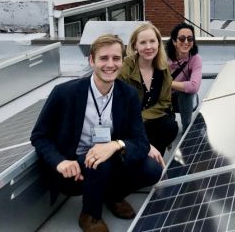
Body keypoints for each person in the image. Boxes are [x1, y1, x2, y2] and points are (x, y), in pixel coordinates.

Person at [30, 34, 165, 232]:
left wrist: (114, 145)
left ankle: (113, 196)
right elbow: (39, 136)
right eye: (103, 58)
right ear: (91, 60)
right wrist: (60, 162)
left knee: (152, 169)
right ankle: (90, 214)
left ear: (122, 61)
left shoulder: (127, 95)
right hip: (73, 168)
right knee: (98, 160)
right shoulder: (64, 93)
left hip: (109, 160)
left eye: (116, 58)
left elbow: (140, 141)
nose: (110, 64)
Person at [119, 23, 179, 156]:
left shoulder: (163, 69)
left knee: (169, 126)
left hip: (151, 121)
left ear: (158, 43)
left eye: (152, 41)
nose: (148, 47)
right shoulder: (125, 68)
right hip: (129, 123)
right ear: (135, 45)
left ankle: (154, 157)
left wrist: (142, 117)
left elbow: (164, 103)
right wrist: (136, 120)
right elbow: (117, 101)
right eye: (143, 42)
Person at [166, 22, 202, 134]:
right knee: (168, 128)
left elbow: (194, 87)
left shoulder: (195, 59)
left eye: (190, 39)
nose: (186, 42)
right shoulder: (163, 58)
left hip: (185, 101)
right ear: (174, 41)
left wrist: (168, 83)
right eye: (182, 39)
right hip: (164, 98)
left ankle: (186, 129)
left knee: (185, 92)